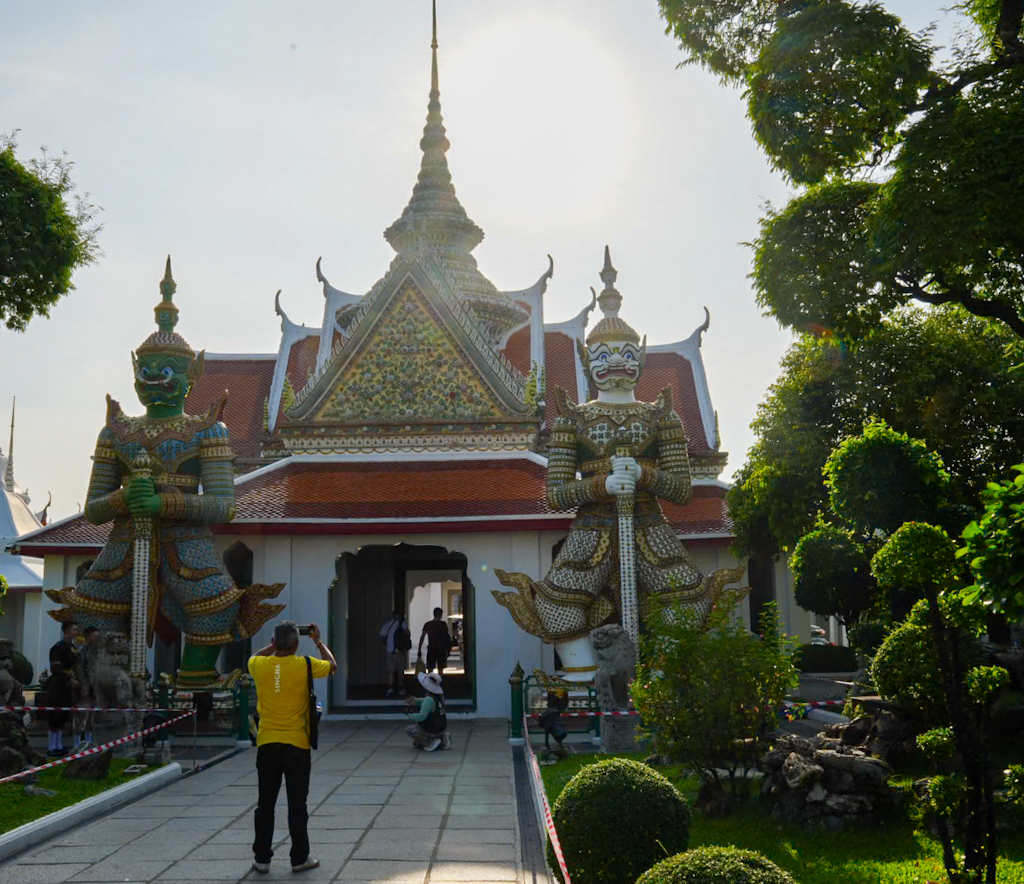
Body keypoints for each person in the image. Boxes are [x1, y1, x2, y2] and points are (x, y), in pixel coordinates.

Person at [248, 620, 337, 876]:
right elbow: (332, 665)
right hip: (297, 745)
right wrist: (318, 641)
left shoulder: (259, 665)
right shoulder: (305, 664)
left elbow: (256, 655)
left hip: (267, 743)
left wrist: (273, 646)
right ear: (297, 644)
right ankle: (299, 858)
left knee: (265, 803)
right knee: (297, 804)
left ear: (274, 642)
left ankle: (262, 859)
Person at [44, 621, 78, 757]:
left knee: (63, 715)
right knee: (55, 715)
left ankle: (59, 745)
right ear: (67, 631)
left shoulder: (73, 647)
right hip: (57, 685)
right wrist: (69, 679)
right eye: (74, 629)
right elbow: (56, 668)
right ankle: (51, 746)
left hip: (68, 687)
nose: (76, 632)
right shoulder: (57, 648)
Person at [404, 671, 450, 751]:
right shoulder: (440, 697)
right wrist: (415, 701)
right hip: (441, 728)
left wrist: (410, 715)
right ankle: (442, 738)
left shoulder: (428, 699)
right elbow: (426, 702)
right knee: (416, 743)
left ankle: (430, 741)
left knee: (409, 730)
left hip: (432, 729)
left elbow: (421, 717)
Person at [74, 626, 100, 747]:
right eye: (95, 636)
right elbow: (79, 670)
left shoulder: (96, 651)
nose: (97, 638)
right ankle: (77, 743)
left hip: (94, 687)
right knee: (80, 716)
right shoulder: (82, 652)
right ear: (88, 636)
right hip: (84, 688)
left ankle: (89, 742)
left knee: (91, 717)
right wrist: (84, 686)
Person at [379, 610, 409, 698]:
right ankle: (400, 688)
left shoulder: (387, 625)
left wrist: (387, 644)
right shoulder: (403, 625)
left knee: (391, 671)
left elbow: (381, 637)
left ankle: (390, 688)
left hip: (390, 651)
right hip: (400, 651)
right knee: (400, 671)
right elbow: (408, 634)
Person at [417, 607, 452, 676]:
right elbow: (447, 637)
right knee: (440, 669)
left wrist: (419, 648)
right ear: (441, 615)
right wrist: (448, 649)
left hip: (431, 647)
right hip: (441, 648)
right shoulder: (443, 624)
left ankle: (430, 681)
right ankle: (440, 681)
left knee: (430, 668)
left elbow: (422, 637)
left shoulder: (428, 624)